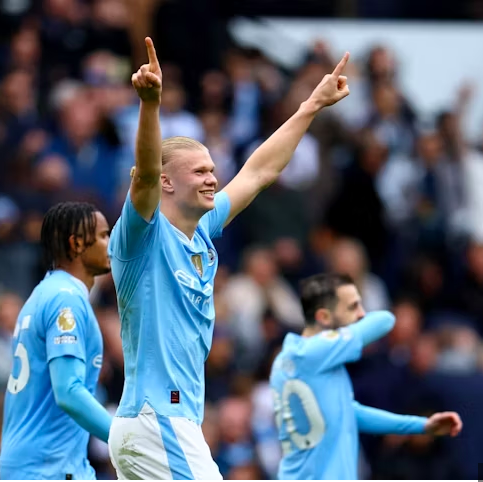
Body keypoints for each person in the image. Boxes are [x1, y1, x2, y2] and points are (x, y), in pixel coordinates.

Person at [107, 36, 351, 480]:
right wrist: (150, 105)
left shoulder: (201, 228)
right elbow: (142, 174)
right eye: (199, 171)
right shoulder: (140, 237)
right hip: (158, 421)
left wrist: (310, 106)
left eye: (212, 170)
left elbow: (259, 171)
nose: (211, 178)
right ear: (166, 183)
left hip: (167, 424)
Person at [269, 273, 463, 480]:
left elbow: (348, 411)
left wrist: (421, 425)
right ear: (324, 317)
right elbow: (385, 320)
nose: (362, 315)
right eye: (352, 307)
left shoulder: (289, 359)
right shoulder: (313, 354)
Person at [0, 202, 113, 480]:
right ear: (76, 244)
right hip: (48, 467)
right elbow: (69, 391)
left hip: (51, 463)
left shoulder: (43, 294)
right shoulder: (65, 300)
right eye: (102, 235)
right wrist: (127, 438)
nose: (110, 243)